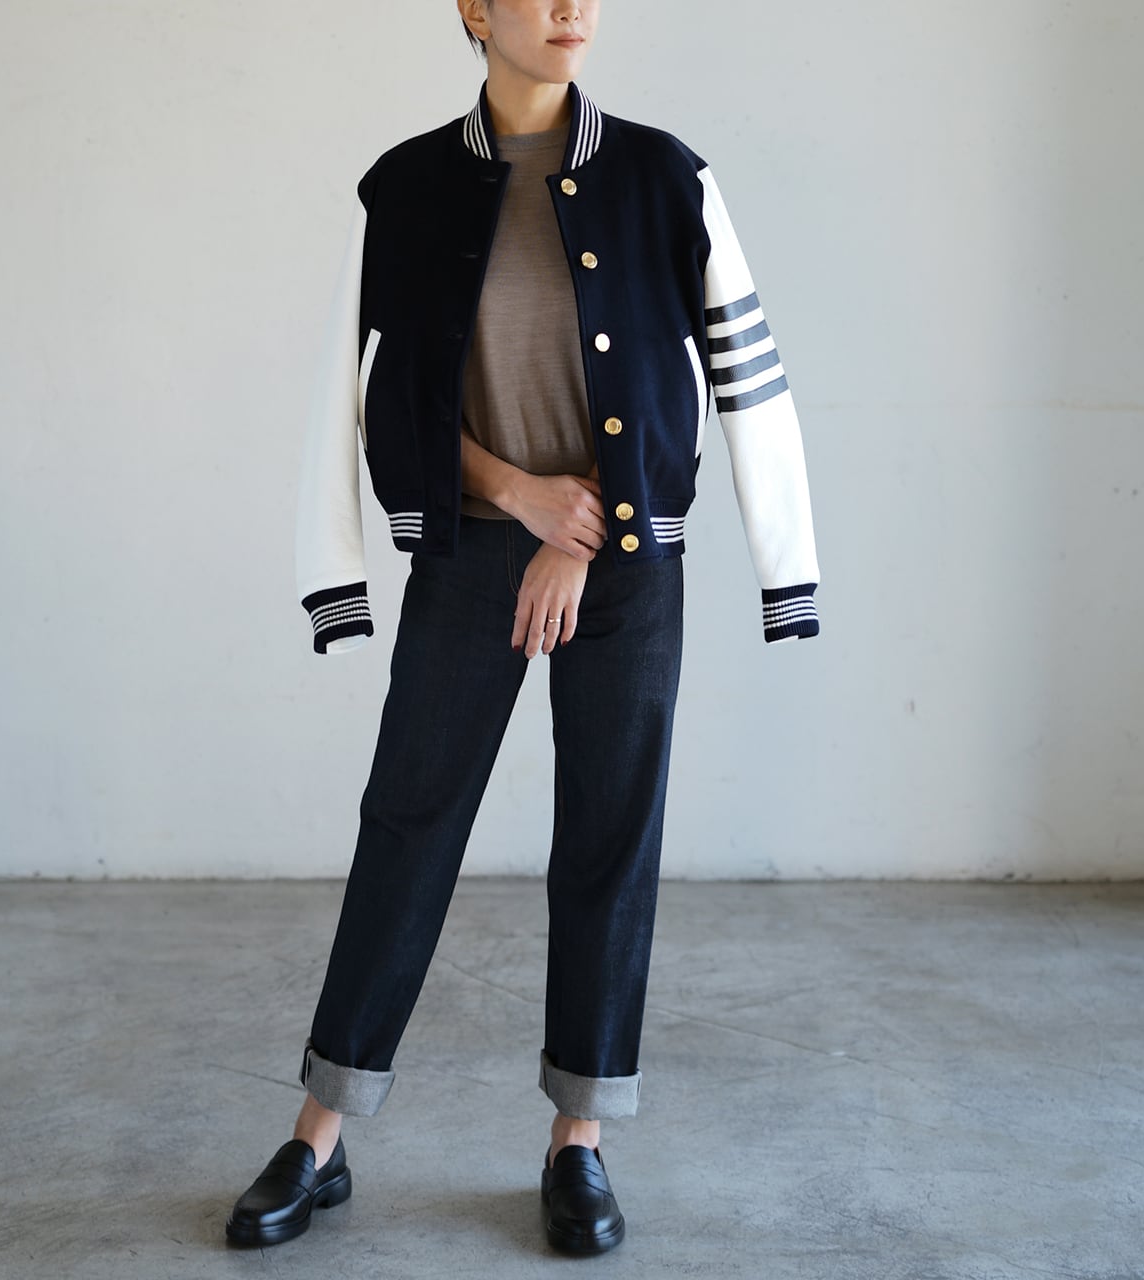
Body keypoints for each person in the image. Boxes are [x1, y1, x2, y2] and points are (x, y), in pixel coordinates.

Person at [225, 0, 820, 1256]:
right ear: (472, 10)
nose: (569, 8)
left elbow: (740, 375)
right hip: (470, 552)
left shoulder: (664, 178)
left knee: (608, 834)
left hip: (626, 558)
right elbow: (367, 392)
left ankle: (577, 1139)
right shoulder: (403, 189)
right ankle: (319, 1132)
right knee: (408, 820)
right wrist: (509, 502)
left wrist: (763, 563)